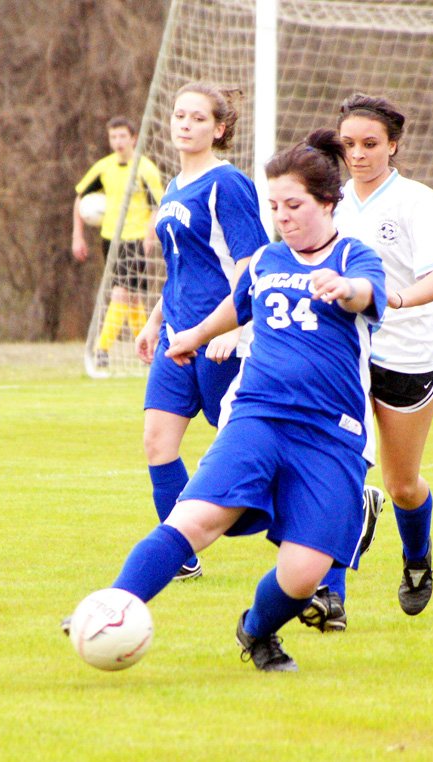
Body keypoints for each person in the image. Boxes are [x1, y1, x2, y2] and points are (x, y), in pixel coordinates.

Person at [63, 129, 388, 672]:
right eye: (275, 206)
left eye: (295, 205)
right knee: (194, 520)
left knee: (303, 574)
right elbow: (236, 309)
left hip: (331, 433)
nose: (282, 217)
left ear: (328, 202)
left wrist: (345, 288)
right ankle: (112, 604)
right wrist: (188, 335)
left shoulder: (356, 256)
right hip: (258, 416)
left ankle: (257, 630)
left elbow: (368, 292)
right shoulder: (265, 261)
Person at [300, 92, 433, 631]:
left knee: (403, 485)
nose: (359, 154)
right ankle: (330, 595)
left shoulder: (419, 202)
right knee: (342, 467)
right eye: (349, 145)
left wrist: (395, 297)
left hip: (409, 354)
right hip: (346, 352)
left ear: (393, 144)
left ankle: (417, 560)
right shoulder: (331, 202)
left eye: (370, 144)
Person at [134, 82, 269, 580]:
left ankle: (330, 516)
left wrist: (232, 329)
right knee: (157, 442)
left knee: (250, 450)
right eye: (179, 115)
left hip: (219, 342)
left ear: (219, 128)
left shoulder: (227, 184)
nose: (185, 124)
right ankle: (180, 556)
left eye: (197, 118)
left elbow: (250, 262)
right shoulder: (172, 188)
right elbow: (182, 268)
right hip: (177, 338)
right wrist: (154, 321)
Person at [72, 116, 164, 369]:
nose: (118, 141)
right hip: (111, 240)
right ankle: (143, 349)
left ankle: (103, 349)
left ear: (133, 138)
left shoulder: (145, 169)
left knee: (125, 295)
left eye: (123, 136)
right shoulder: (104, 168)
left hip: (136, 239)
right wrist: (77, 235)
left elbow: (158, 205)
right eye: (113, 137)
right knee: (128, 296)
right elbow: (80, 199)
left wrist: (149, 236)